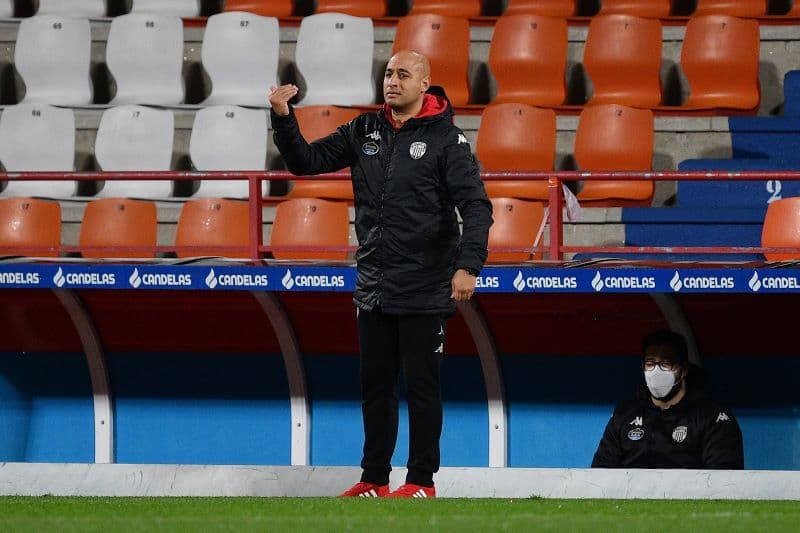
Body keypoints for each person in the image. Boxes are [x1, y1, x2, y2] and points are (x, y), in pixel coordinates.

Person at [269, 50, 493, 498]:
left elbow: (476, 206)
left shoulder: (448, 141)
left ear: (424, 84)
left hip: (427, 283)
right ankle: (374, 477)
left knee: (423, 388)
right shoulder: (363, 130)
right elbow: (306, 163)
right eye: (388, 73)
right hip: (373, 283)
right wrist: (283, 117)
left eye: (403, 74)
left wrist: (468, 265)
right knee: (375, 387)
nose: (392, 81)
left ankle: (421, 482)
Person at [592, 330, 744, 469]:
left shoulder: (712, 416)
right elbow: (599, 474)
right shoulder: (624, 413)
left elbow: (724, 482)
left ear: (683, 369)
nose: (657, 371)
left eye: (666, 363)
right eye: (650, 363)